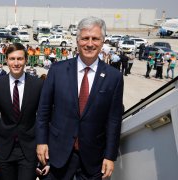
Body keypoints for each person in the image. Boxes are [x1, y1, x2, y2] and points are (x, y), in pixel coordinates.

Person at [36, 16, 124, 180]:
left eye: (95, 39)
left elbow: (113, 120)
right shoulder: (57, 70)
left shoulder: (114, 77)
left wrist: (110, 156)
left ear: (103, 42)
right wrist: (41, 142)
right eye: (85, 38)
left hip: (94, 159)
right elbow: (43, 111)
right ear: (77, 41)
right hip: (57, 155)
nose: (90, 44)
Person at [0, 43, 43, 180]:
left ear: (26, 60)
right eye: (12, 59)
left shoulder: (38, 85)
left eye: (20, 59)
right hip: (5, 147)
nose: (16, 63)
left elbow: (43, 118)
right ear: (6, 60)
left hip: (29, 148)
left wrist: (43, 144)